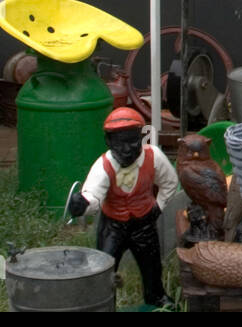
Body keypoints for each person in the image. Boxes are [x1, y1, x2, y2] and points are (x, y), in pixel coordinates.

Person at [67, 106, 180, 308]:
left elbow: (170, 182)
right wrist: (83, 204)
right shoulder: (102, 166)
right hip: (113, 226)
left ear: (141, 137)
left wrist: (158, 207)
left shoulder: (154, 157)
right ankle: (103, 302)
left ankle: (155, 296)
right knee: (104, 265)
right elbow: (94, 194)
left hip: (144, 222)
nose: (128, 149)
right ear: (109, 142)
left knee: (152, 263)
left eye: (133, 141)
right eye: (121, 144)